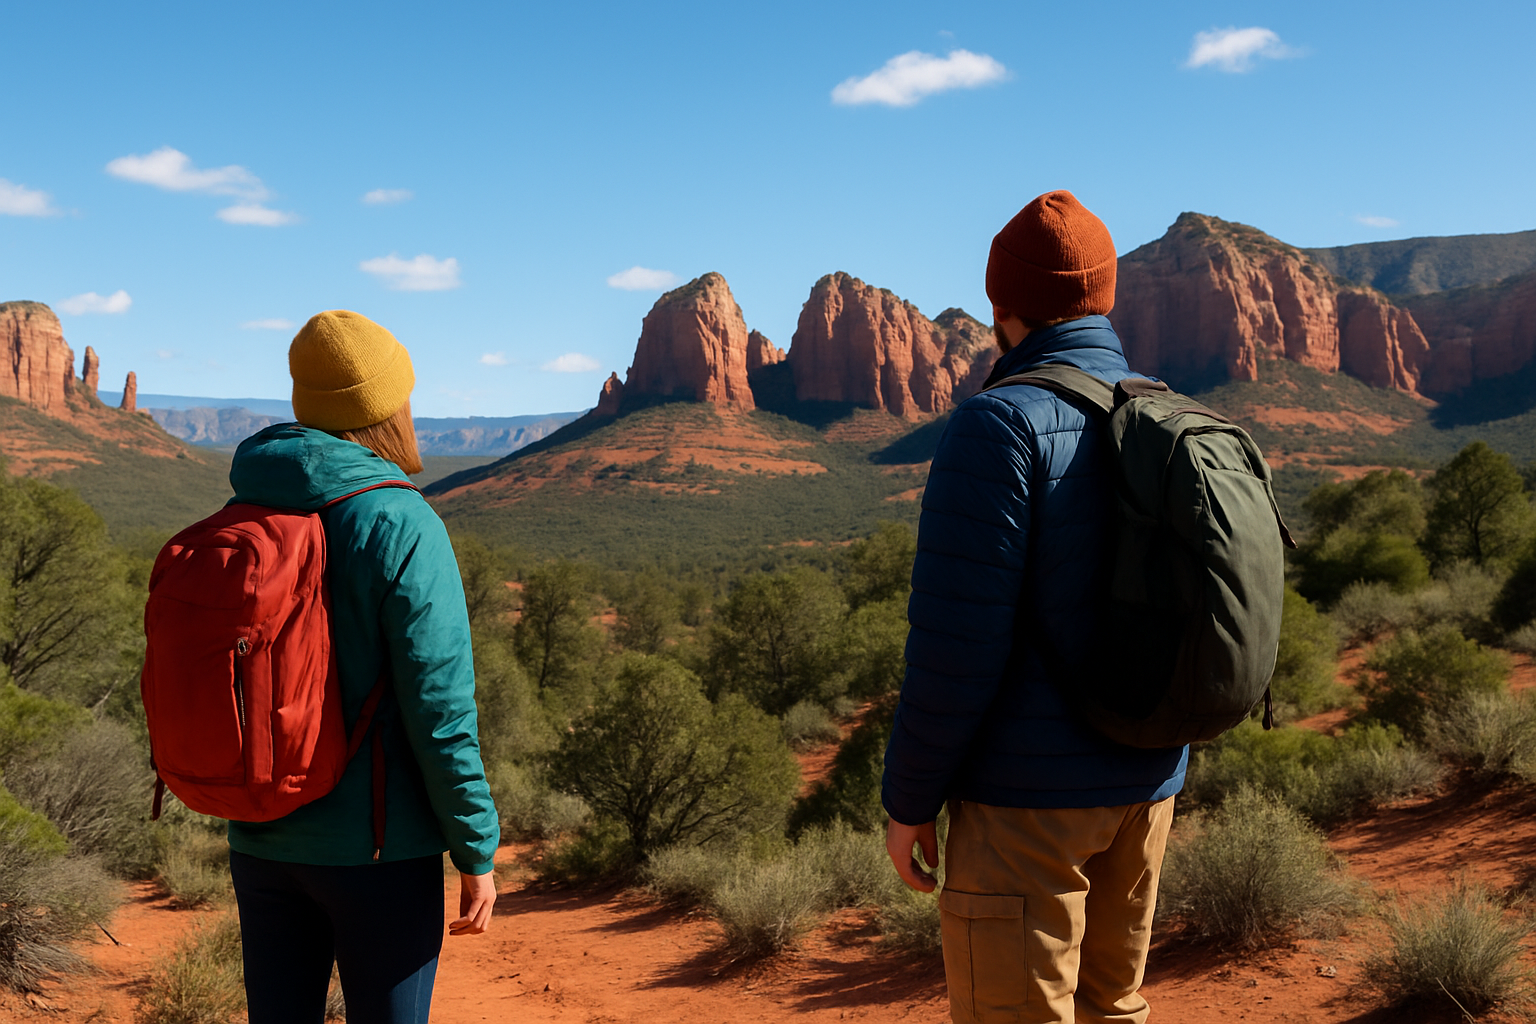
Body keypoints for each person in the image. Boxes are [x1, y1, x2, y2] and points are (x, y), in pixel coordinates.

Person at [881, 191, 1187, 1024]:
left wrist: (908, 800)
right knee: (1112, 1011)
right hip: (1149, 785)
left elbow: (955, 647)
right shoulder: (1163, 410)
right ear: (1103, 296)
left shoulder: (997, 425)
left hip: (1026, 806)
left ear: (1000, 304)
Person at [225, 310, 500, 1024]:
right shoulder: (403, 522)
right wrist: (476, 848)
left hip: (262, 838)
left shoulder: (244, 507)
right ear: (385, 406)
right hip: (378, 852)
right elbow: (440, 708)